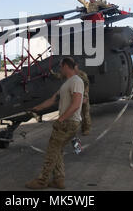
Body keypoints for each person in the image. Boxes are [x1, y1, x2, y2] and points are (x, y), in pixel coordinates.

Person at [25, 57, 84, 190]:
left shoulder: (76, 81)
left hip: (67, 122)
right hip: (67, 123)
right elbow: (52, 100)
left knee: (52, 152)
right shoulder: (67, 83)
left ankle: (42, 181)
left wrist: (61, 119)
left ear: (65, 66)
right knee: (57, 150)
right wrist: (36, 109)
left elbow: (76, 104)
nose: (59, 70)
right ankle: (59, 180)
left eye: (60, 67)